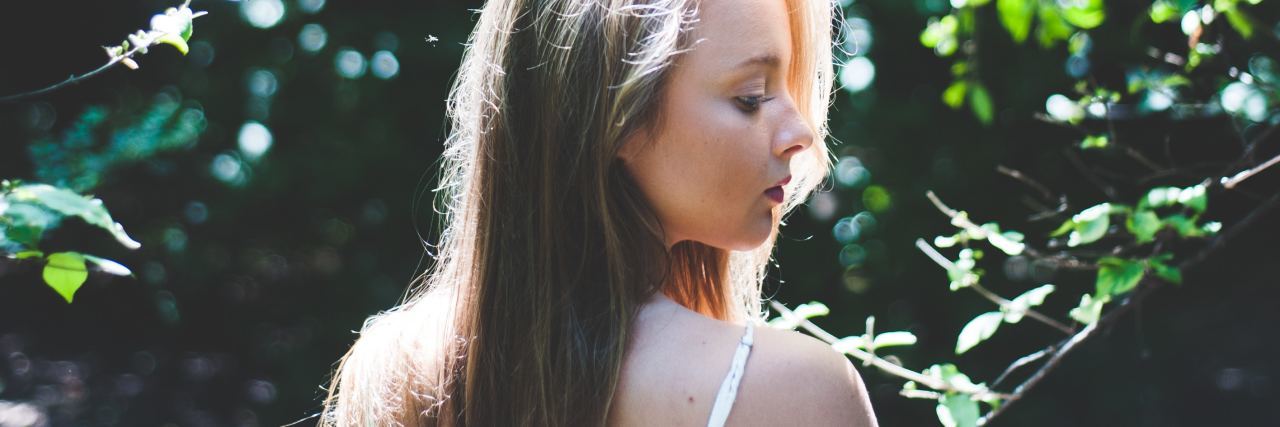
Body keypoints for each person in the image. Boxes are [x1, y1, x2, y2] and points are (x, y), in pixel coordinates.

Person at [322, 0, 879, 425]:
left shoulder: (394, 373)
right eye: (752, 97)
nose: (801, 132)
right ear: (614, 115)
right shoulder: (795, 392)